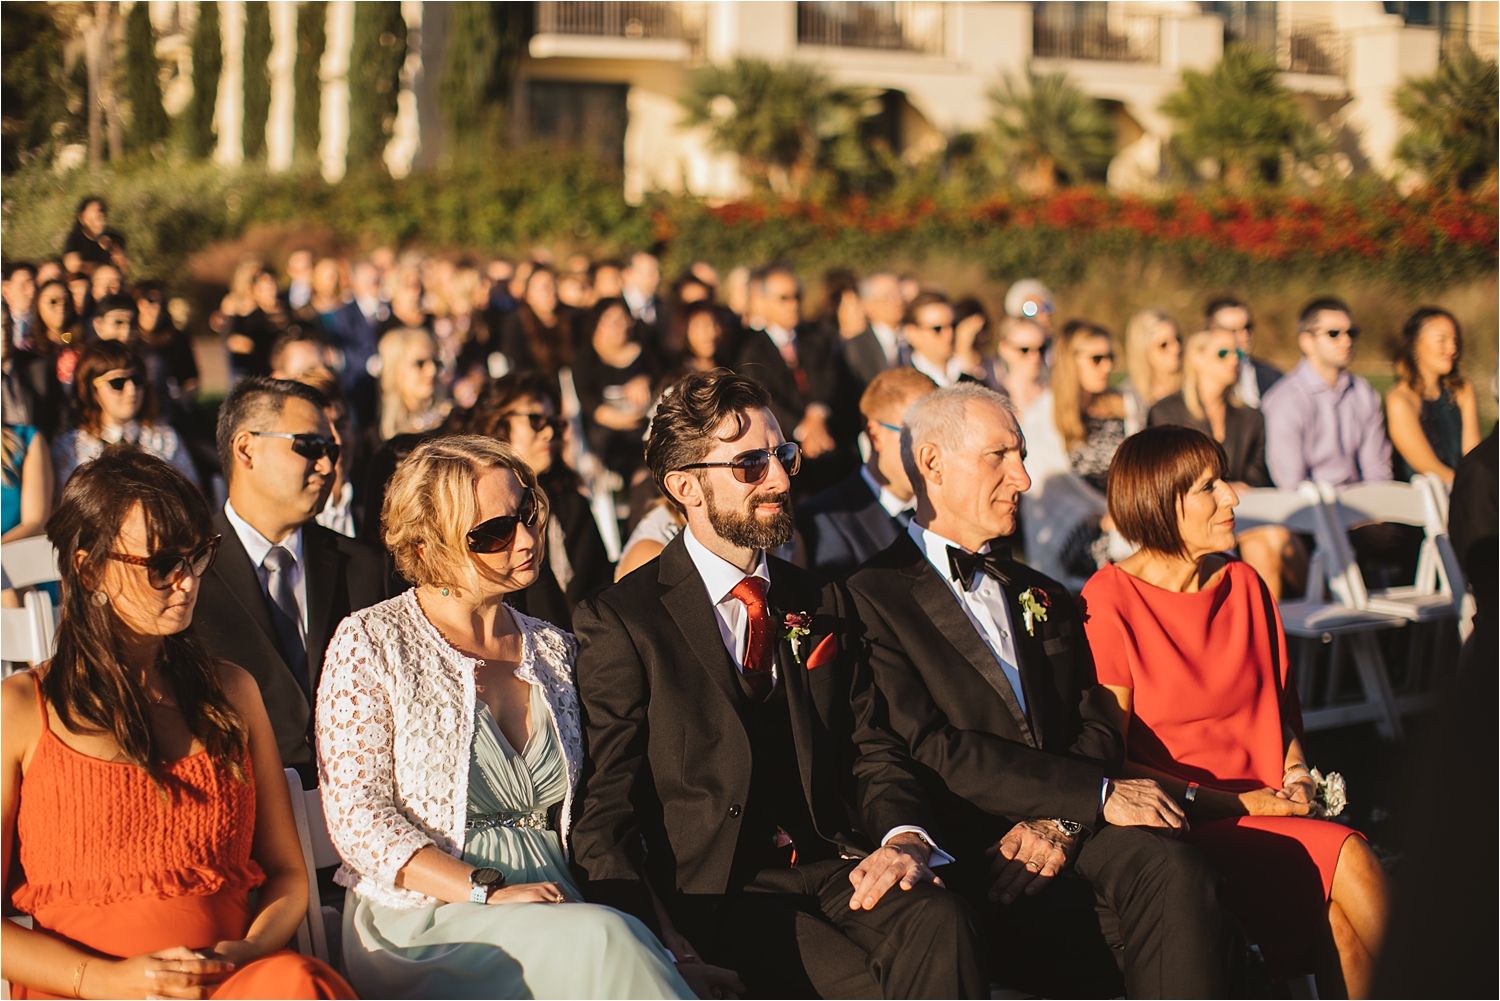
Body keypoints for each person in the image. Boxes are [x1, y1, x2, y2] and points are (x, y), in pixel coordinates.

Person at [571, 369, 987, 1000]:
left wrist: (904, 838)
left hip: (835, 863)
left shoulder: (819, 599)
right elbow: (607, 811)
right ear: (685, 486)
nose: (782, 478)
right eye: (750, 465)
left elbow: (873, 746)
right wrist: (654, 942)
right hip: (717, 892)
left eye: (783, 455)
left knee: (944, 922)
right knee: (859, 987)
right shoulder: (622, 621)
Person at [844, 385, 1230, 998]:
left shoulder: (1042, 590)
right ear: (932, 463)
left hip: (1070, 824)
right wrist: (1093, 794)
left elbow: (1095, 719)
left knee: (1172, 867)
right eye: (999, 455)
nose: (1022, 478)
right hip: (974, 842)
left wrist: (1062, 818)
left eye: (1021, 455)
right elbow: (930, 747)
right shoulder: (870, 596)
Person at [314, 435, 693, 1000]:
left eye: (527, 514)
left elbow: (609, 821)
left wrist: (669, 950)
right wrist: (483, 890)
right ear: (427, 547)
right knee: (603, 941)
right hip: (426, 920)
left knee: (616, 940)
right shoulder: (372, 643)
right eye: (492, 533)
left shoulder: (559, 652)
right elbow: (358, 820)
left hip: (564, 897)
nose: (524, 539)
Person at [0, 450, 353, 1000]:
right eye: (163, 564)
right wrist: (105, 981)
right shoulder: (22, 708)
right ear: (89, 568)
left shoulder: (232, 691)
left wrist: (250, 950)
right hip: (83, 989)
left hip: (233, 978)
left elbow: (286, 872)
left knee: (299, 985)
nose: (187, 582)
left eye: (197, 556)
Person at [1081, 425, 1391, 997]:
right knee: (1349, 851)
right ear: (1158, 503)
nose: (1232, 497)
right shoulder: (1108, 602)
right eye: (1208, 487)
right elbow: (1112, 760)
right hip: (1186, 824)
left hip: (1272, 808)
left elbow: (1281, 717)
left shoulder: (1244, 583)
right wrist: (1240, 802)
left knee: (1340, 925)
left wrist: (1297, 775)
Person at [192, 376, 387, 780]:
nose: (328, 465)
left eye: (332, 450)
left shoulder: (365, 566)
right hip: (243, 801)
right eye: (311, 447)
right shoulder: (186, 574)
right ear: (246, 449)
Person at [1149, 327, 1307, 599]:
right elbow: (1166, 476)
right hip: (1193, 515)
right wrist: (1225, 487)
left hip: (1243, 509)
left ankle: (1269, 630)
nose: (1234, 359)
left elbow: (1257, 476)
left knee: (1267, 541)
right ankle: (1327, 607)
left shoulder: (1250, 417)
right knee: (1271, 539)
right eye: (1223, 353)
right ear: (1196, 359)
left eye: (1239, 353)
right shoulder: (1166, 412)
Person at [462, 374, 612, 630]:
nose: (549, 432)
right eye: (537, 420)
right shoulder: (469, 510)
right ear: (494, 425)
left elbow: (598, 589)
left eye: (556, 423)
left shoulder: (571, 505)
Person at [1017, 320, 1127, 589]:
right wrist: (1104, 517)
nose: (1107, 367)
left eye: (1110, 357)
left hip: (1129, 516)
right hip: (1080, 527)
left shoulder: (1125, 406)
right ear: (1070, 361)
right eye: (1097, 359)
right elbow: (1046, 488)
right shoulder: (1044, 415)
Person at [796, 367, 936, 578]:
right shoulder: (824, 519)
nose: (933, 448)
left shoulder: (949, 506)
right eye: (919, 433)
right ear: (876, 435)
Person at [735, 266, 848, 497]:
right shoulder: (751, 351)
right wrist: (803, 430)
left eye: (796, 297)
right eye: (783, 298)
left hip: (828, 443)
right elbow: (763, 399)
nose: (792, 304)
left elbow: (831, 383)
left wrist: (817, 416)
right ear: (764, 302)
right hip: (785, 453)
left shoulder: (817, 339)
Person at [1262, 298, 1392, 489]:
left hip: (1364, 506)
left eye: (1351, 333)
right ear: (1307, 341)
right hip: (1310, 510)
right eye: (1334, 334)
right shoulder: (1285, 400)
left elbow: (1377, 471)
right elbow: (1291, 483)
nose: (1346, 341)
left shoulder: (1364, 393)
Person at [52, 341, 198, 492]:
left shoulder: (165, 438)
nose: (132, 390)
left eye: (137, 379)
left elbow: (192, 496)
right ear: (91, 389)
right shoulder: (70, 448)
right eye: (118, 382)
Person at [1384, 307, 1480, 483]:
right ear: (1414, 345)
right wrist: (1470, 491)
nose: (1452, 349)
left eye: (1455, 341)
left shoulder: (1463, 390)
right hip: (1421, 501)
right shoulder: (1400, 400)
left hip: (1464, 490)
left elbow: (1473, 456)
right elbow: (1429, 468)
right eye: (1441, 340)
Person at [573, 297, 659, 483]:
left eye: (624, 319)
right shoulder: (585, 360)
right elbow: (591, 405)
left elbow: (667, 377)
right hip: (613, 436)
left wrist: (646, 381)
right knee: (641, 470)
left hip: (651, 427)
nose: (621, 326)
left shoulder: (645, 351)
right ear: (597, 324)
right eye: (613, 321)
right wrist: (628, 420)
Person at [133, 281, 200, 425]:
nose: (155, 309)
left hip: (175, 410)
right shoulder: (129, 341)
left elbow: (192, 381)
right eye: (149, 302)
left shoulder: (176, 338)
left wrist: (178, 398)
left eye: (160, 303)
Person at [498, 264, 572, 379]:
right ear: (528, 296)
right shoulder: (516, 324)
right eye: (544, 287)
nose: (551, 291)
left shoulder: (572, 317)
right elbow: (517, 367)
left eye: (554, 285)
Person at [1206, 296, 1280, 407]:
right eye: (1233, 330)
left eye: (1247, 327)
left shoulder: (1273, 378)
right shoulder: (1194, 381)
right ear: (1211, 331)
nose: (1244, 335)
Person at [376, 326, 448, 440]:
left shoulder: (453, 421)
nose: (432, 370)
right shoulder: (375, 437)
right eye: (420, 363)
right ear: (395, 370)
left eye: (434, 361)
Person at [1121, 308, 1182, 433]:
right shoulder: (1127, 398)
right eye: (1164, 345)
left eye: (1178, 339)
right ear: (1143, 350)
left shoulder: (1190, 388)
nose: (1176, 348)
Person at [842, 271, 905, 391]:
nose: (898, 301)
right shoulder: (855, 347)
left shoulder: (916, 336)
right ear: (868, 304)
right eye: (888, 296)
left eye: (900, 294)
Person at [904, 291, 975, 389]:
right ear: (912, 333)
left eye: (953, 326)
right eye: (937, 329)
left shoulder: (972, 379)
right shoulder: (903, 385)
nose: (949, 335)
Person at [61, 195, 128, 275]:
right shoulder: (75, 240)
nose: (99, 214)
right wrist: (100, 269)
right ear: (82, 218)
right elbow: (72, 266)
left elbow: (123, 264)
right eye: (94, 212)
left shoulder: (113, 238)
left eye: (101, 212)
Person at [995, 315, 1049, 414]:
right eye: (1025, 350)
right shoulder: (994, 400)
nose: (1035, 356)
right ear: (1004, 348)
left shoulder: (1052, 396)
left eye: (1041, 349)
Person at [953, 298, 1003, 392]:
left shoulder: (994, 366)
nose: (982, 337)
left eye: (984, 329)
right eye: (975, 333)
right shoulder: (951, 368)